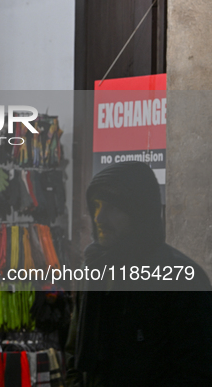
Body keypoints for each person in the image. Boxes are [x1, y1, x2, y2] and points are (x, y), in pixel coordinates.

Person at [65, 162, 212, 386]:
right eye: (96, 205)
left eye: (112, 207)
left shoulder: (181, 278)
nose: (99, 218)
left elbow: (196, 370)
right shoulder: (94, 271)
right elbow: (74, 354)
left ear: (140, 211)